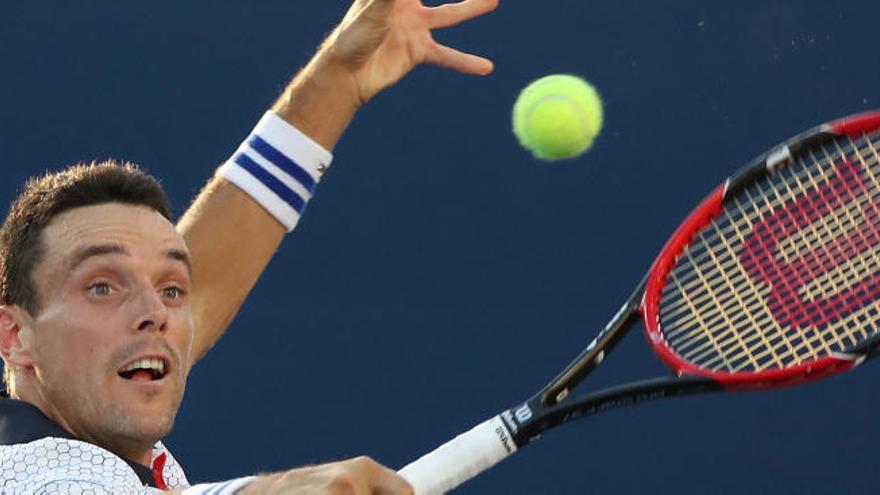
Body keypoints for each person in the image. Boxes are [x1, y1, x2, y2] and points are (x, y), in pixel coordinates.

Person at [0, 0, 498, 493]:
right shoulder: (34, 475)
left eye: (171, 290)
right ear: (14, 335)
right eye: (102, 286)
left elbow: (209, 280)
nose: (156, 313)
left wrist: (339, 78)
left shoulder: (105, 426)